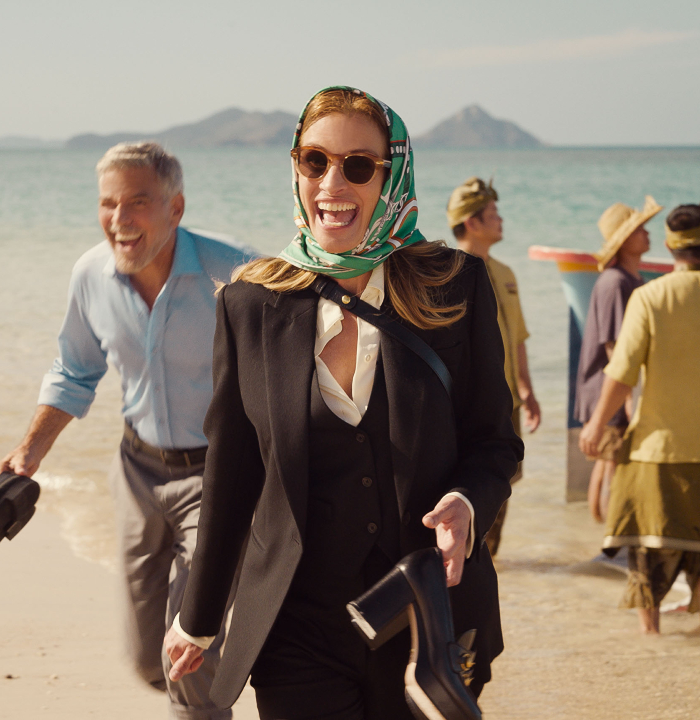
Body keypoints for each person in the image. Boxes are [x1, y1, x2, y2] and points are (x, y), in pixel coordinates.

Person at [162, 86, 522, 720]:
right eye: (314, 161)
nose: (334, 182)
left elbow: (495, 443)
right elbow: (234, 471)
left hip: (425, 622)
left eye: (360, 165)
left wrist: (468, 502)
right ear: (296, 168)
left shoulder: (457, 286)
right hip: (295, 628)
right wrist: (198, 616)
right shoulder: (250, 304)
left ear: (393, 174)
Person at [0, 142, 256, 719]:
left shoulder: (235, 276)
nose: (120, 218)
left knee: (186, 656)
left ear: (176, 207)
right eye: (109, 203)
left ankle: (207, 687)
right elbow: (74, 369)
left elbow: (296, 369)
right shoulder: (90, 275)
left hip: (218, 480)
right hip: (136, 473)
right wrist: (30, 449)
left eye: (138, 201)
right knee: (147, 659)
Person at [580, 202, 700, 635]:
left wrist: (594, 425)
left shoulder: (649, 297)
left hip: (655, 458)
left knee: (648, 563)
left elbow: (622, 373)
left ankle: (653, 650)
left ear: (669, 246)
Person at [447, 176, 540, 556]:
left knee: (504, 480)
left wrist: (527, 390)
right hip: (466, 403)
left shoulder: (506, 273)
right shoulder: (446, 272)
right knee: (467, 483)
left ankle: (489, 559)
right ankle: (465, 555)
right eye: (493, 213)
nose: (500, 219)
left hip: (507, 401)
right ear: (472, 222)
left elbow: (517, 337)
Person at [575, 196, 659, 524]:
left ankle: (606, 537)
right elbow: (615, 347)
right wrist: (626, 397)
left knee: (606, 462)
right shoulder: (616, 282)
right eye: (640, 229)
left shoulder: (631, 280)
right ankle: (612, 535)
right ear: (624, 241)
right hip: (607, 389)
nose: (647, 234)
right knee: (612, 463)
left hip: (611, 388)